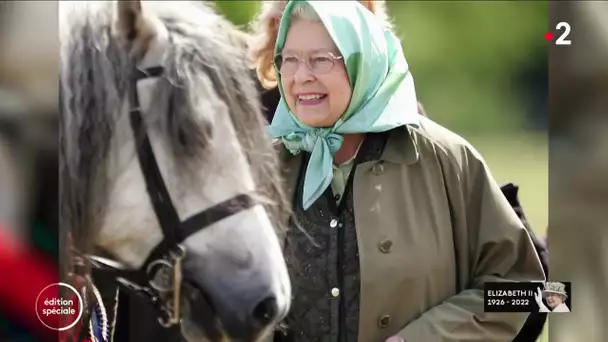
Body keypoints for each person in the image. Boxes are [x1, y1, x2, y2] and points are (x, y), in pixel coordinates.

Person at [248, 1, 545, 341]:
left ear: (366, 63)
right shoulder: (261, 168)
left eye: (321, 60)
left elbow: (528, 290)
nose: (301, 76)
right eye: (290, 60)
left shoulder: (447, 158)